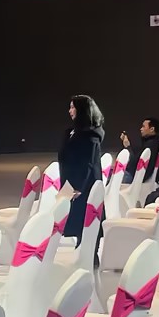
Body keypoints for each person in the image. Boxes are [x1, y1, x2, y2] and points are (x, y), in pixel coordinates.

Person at [59, 95, 105, 240]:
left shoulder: (90, 134)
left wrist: (78, 187)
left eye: (73, 107)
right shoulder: (73, 131)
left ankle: (86, 251)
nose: (70, 111)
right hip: (70, 182)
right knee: (65, 217)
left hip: (82, 185)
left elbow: (88, 163)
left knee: (82, 222)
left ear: (82, 110)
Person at [119, 117, 159, 186]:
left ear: (152, 129)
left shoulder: (150, 145)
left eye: (143, 126)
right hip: (137, 175)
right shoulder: (152, 143)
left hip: (134, 176)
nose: (141, 129)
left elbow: (134, 162)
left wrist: (127, 147)